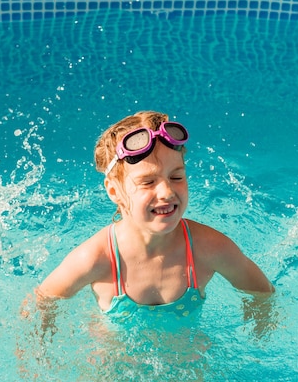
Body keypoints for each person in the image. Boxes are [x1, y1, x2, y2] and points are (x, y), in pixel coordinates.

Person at [29, 110, 274, 323]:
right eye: (148, 182)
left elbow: (262, 293)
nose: (167, 192)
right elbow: (42, 301)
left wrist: (258, 338)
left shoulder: (207, 247)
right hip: (113, 361)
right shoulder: (96, 258)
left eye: (176, 177)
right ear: (114, 191)